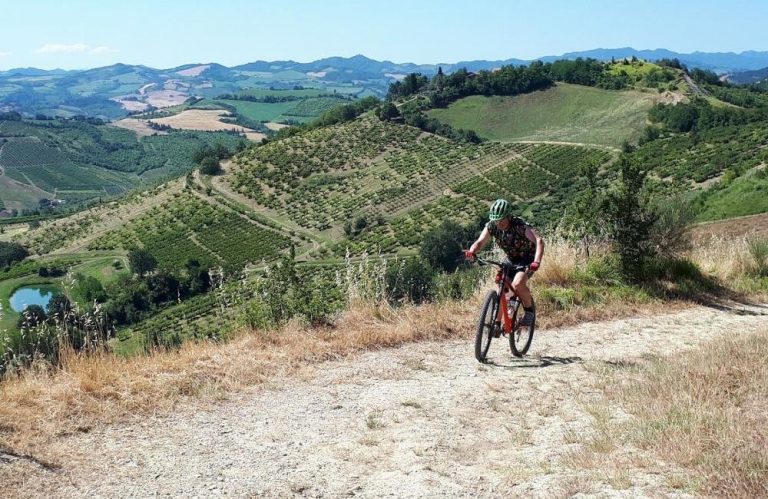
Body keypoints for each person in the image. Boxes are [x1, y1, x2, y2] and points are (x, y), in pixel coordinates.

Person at [464, 199, 544, 326]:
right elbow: (480, 242)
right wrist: (472, 251)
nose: (499, 223)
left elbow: (539, 241)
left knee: (518, 283)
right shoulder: (492, 226)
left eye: (502, 219)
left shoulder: (520, 226)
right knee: (500, 286)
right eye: (496, 220)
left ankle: (529, 311)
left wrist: (537, 261)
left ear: (508, 216)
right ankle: (496, 323)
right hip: (511, 259)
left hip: (527, 259)